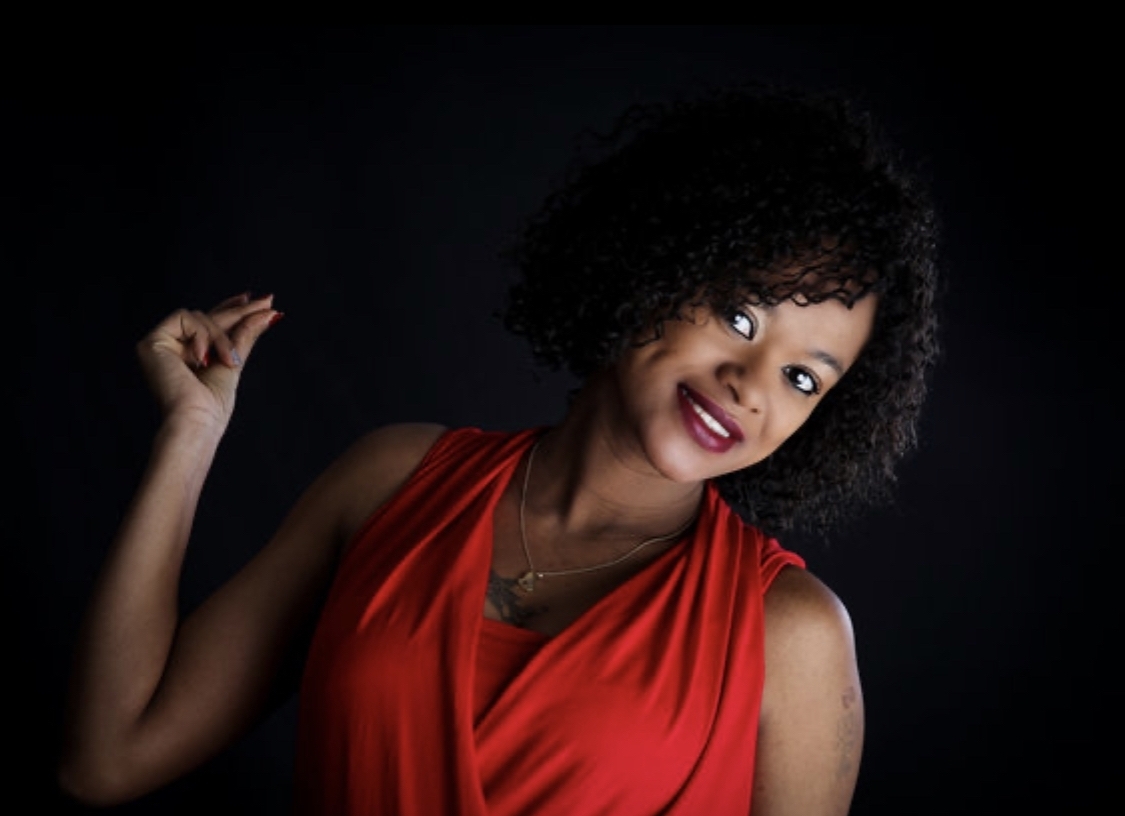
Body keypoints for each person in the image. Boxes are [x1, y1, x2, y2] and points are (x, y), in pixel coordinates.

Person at [57, 80, 941, 815]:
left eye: (802, 379)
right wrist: (190, 435)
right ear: (655, 265)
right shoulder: (391, 481)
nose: (751, 385)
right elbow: (108, 758)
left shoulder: (790, 632)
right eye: (741, 318)